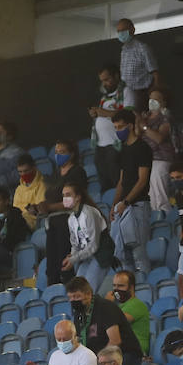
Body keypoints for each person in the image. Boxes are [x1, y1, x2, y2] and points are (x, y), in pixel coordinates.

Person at [102, 111, 152, 277]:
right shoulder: (123, 149)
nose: (118, 130)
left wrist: (126, 201)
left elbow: (142, 180)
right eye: (115, 127)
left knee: (138, 253)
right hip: (123, 207)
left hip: (138, 206)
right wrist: (114, 205)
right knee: (122, 254)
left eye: (121, 127)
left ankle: (144, 287)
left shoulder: (143, 148)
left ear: (130, 126)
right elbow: (122, 181)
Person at [39, 140, 90, 287]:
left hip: (69, 221)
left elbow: (73, 200)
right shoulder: (55, 175)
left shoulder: (77, 172)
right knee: (52, 266)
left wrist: (50, 207)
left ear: (72, 154)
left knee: (65, 262)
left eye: (62, 152)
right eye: (56, 152)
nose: (58, 155)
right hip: (53, 223)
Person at [68, 276, 142, 365]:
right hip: (99, 358)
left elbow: (115, 341)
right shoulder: (79, 312)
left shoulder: (105, 308)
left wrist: (98, 361)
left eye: (77, 297)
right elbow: (79, 339)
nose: (73, 300)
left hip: (125, 355)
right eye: (70, 297)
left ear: (88, 294)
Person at [61, 179, 114, 295]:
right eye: (63, 195)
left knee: (87, 292)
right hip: (85, 256)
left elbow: (94, 245)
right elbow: (75, 243)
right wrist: (72, 255)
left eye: (68, 195)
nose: (65, 198)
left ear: (78, 197)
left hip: (100, 255)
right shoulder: (71, 219)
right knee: (77, 289)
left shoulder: (89, 213)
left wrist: (74, 259)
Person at [139, 91, 178, 212]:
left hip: (162, 159)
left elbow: (159, 138)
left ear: (163, 102)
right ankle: (158, 222)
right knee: (151, 197)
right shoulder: (145, 118)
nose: (152, 102)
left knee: (161, 197)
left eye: (156, 99)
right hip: (148, 159)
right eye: (150, 99)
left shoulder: (165, 117)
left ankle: (166, 217)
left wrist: (144, 128)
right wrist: (140, 121)